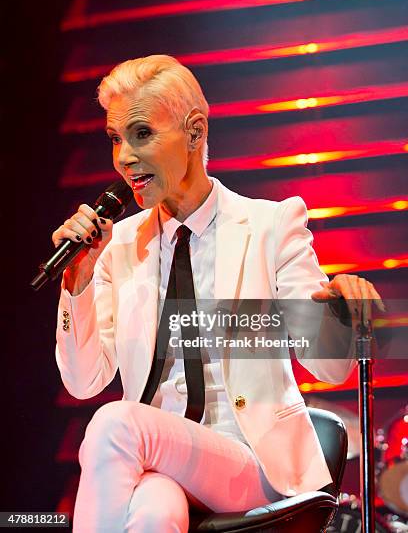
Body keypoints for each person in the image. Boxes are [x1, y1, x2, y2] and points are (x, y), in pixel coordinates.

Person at [53, 55, 384, 532]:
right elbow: (83, 382)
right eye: (114, 139)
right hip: (155, 462)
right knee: (152, 513)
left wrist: (338, 315)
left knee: (114, 423)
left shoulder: (272, 225)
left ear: (194, 131)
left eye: (141, 134)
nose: (123, 156)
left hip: (251, 462)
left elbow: (329, 368)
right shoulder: (118, 245)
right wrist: (77, 285)